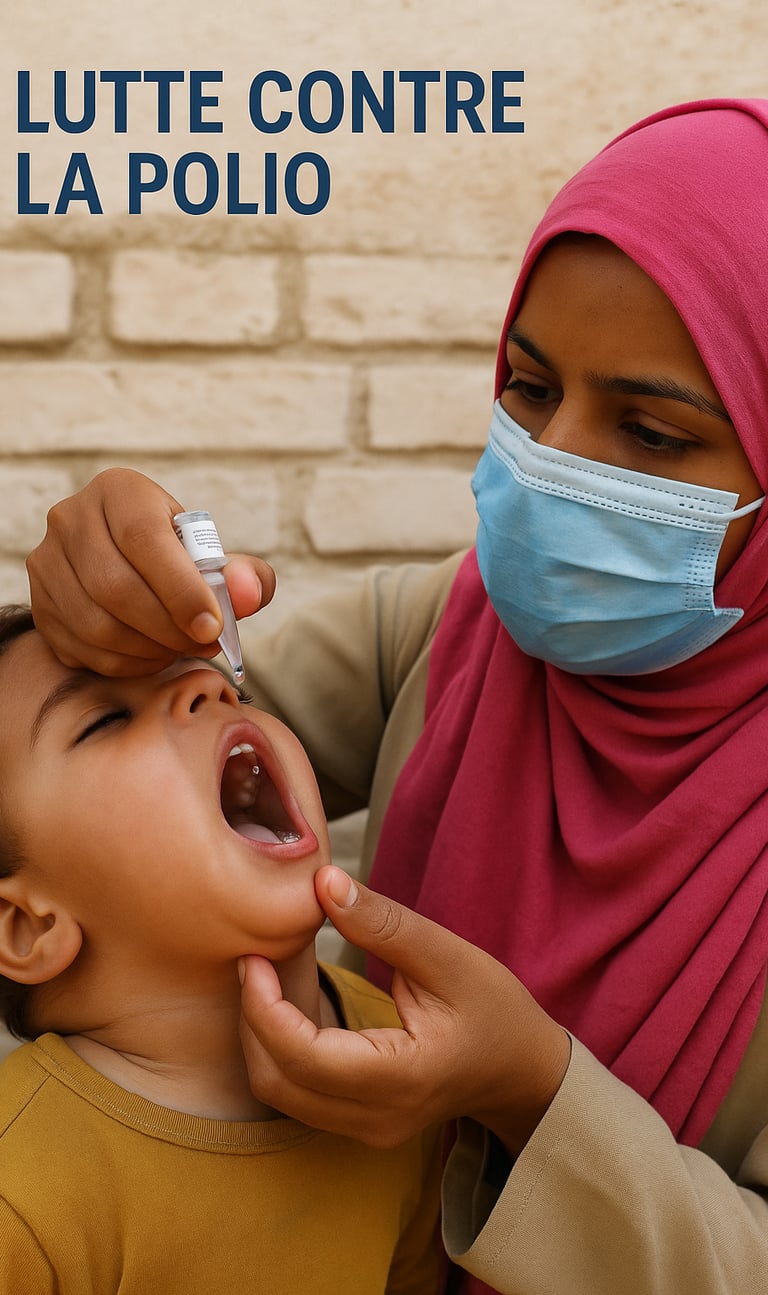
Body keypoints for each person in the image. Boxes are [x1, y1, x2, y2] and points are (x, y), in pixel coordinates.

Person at [24, 97, 768, 1293]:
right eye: (528, 386)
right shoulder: (463, 632)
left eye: (648, 431)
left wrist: (529, 1089)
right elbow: (133, 763)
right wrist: (109, 616)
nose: (553, 457)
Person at [0, 606, 444, 1295]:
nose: (209, 690)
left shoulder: (403, 1061)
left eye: (217, 680)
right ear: (26, 925)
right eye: (106, 719)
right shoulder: (19, 1193)